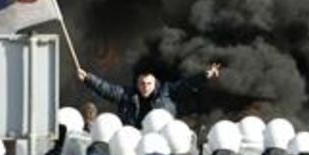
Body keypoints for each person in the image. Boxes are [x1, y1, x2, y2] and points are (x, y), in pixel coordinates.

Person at [77, 64, 221, 126]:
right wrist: (88, 78)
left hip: (160, 140)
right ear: (137, 83)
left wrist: (204, 75)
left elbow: (186, 84)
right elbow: (106, 89)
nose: (145, 87)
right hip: (133, 140)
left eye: (148, 83)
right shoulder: (126, 94)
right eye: (142, 84)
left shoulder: (167, 92)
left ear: (155, 82)